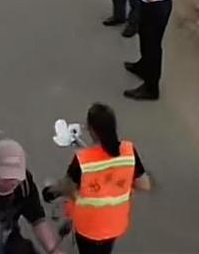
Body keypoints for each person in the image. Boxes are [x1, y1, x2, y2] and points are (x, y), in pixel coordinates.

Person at [54, 103, 149, 254]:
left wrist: (53, 189)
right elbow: (144, 184)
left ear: (91, 130)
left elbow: (67, 187)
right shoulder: (129, 151)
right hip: (114, 224)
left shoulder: (83, 160)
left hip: (88, 227)